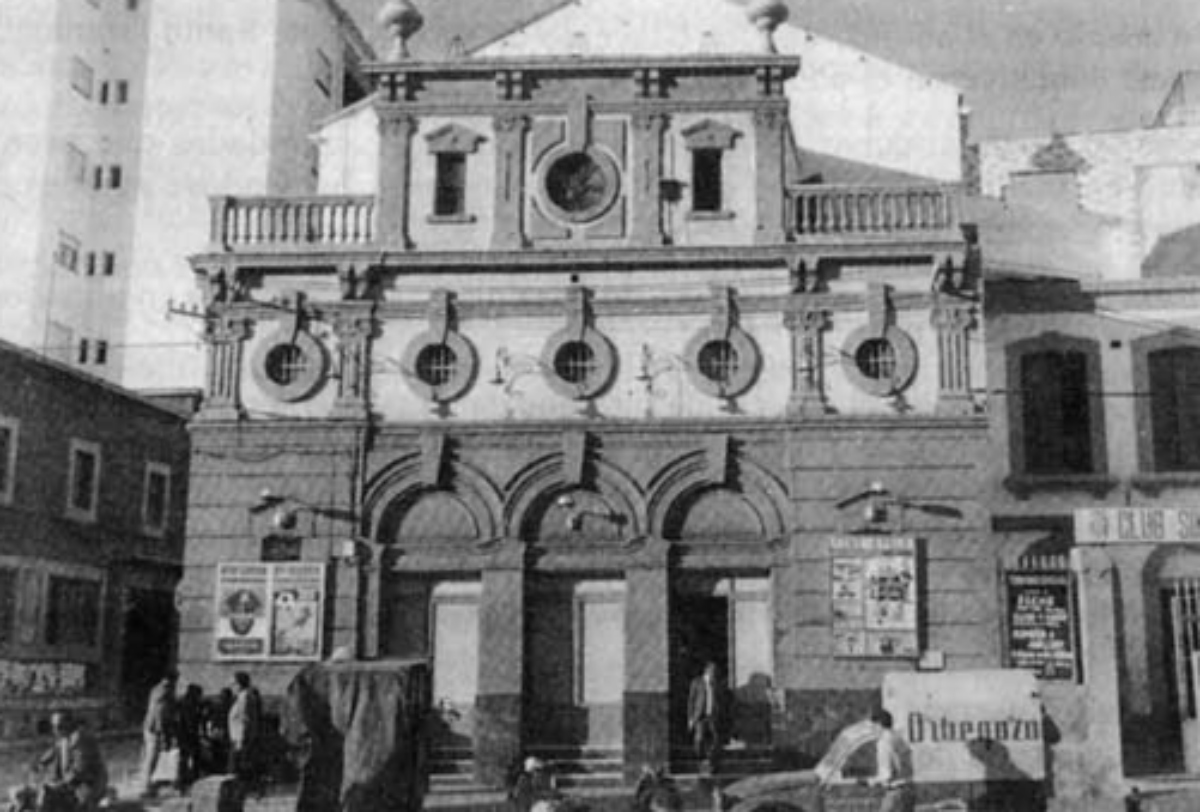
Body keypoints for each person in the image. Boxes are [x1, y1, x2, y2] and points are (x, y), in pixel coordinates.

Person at [21, 711, 109, 812]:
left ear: (69, 723)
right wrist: (38, 765)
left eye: (59, 726)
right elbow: (52, 753)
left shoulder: (80, 738)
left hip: (87, 785)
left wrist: (62, 784)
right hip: (72, 784)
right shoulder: (64, 739)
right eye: (54, 726)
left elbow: (80, 768)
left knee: (56, 798)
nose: (56, 730)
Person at [139, 670, 178, 798]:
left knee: (150, 757)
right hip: (154, 728)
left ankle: (146, 784)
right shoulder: (165, 691)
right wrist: (162, 731)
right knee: (151, 758)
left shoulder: (156, 689)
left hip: (150, 726)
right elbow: (160, 712)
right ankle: (145, 787)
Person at [869, 709, 914, 812]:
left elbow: (886, 774)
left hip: (895, 793)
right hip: (909, 790)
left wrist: (872, 781)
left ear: (879, 724)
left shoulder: (883, 742)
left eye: (873, 726)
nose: (872, 730)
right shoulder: (899, 738)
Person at [686, 662, 728, 773]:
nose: (713, 674)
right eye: (712, 671)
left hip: (712, 716)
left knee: (716, 740)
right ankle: (700, 759)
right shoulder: (697, 682)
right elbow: (691, 701)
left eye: (715, 672)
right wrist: (690, 718)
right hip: (700, 716)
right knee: (699, 739)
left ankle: (712, 762)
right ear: (707, 671)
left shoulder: (716, 684)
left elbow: (720, 699)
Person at [228, 672, 263, 790]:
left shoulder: (244, 697)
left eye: (233, 684)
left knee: (237, 769)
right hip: (239, 738)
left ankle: (246, 790)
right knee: (240, 768)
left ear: (239, 685)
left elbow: (244, 719)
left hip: (240, 739)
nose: (231, 687)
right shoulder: (243, 697)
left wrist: (240, 741)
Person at [176, 684, 205, 790]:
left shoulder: (185, 702)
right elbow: (190, 722)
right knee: (192, 758)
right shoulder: (189, 705)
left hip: (184, 735)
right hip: (188, 735)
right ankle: (188, 781)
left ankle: (182, 782)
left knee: (184, 760)